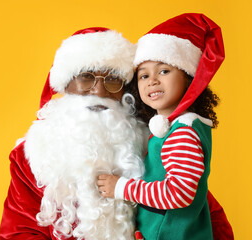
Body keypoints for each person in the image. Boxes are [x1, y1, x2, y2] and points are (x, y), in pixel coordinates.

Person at [0, 27, 147, 240]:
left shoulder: (156, 145)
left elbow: (198, 215)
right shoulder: (32, 154)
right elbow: (19, 231)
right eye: (86, 77)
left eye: (113, 79)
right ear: (66, 84)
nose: (99, 91)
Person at [97, 13, 234, 240]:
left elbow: (178, 193)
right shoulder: (169, 128)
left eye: (164, 71)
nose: (152, 81)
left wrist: (122, 188)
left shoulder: (183, 133)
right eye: (143, 75)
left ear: (188, 77)